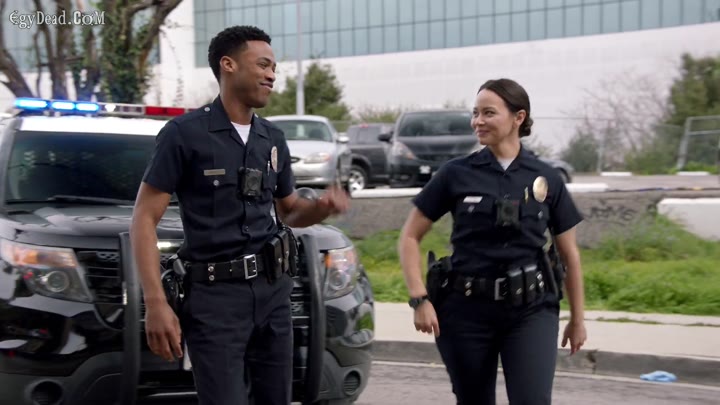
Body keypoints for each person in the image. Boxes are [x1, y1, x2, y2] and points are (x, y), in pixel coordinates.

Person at [130, 25, 350, 405]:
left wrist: (320, 208)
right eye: (263, 65)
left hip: (273, 294)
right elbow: (144, 219)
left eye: (274, 67)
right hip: (215, 300)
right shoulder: (184, 134)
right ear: (228, 65)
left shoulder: (272, 139)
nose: (271, 75)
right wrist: (155, 303)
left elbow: (289, 212)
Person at [398, 78, 587, 405]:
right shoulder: (455, 173)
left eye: (488, 113)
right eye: (475, 113)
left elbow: (569, 254)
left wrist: (578, 319)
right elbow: (409, 236)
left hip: (531, 310)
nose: (478, 121)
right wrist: (419, 299)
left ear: (518, 118)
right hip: (466, 311)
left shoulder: (546, 177)